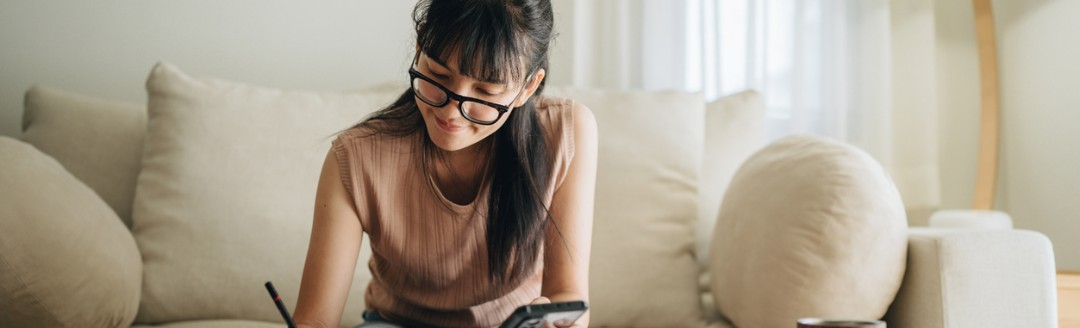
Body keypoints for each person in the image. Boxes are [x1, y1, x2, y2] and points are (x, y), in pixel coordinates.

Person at [292, 0, 598, 327]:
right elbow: (315, 320)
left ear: (528, 87)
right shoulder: (356, 156)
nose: (451, 113)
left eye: (485, 90)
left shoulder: (565, 133)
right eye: (438, 76)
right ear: (420, 45)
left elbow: (568, 297)